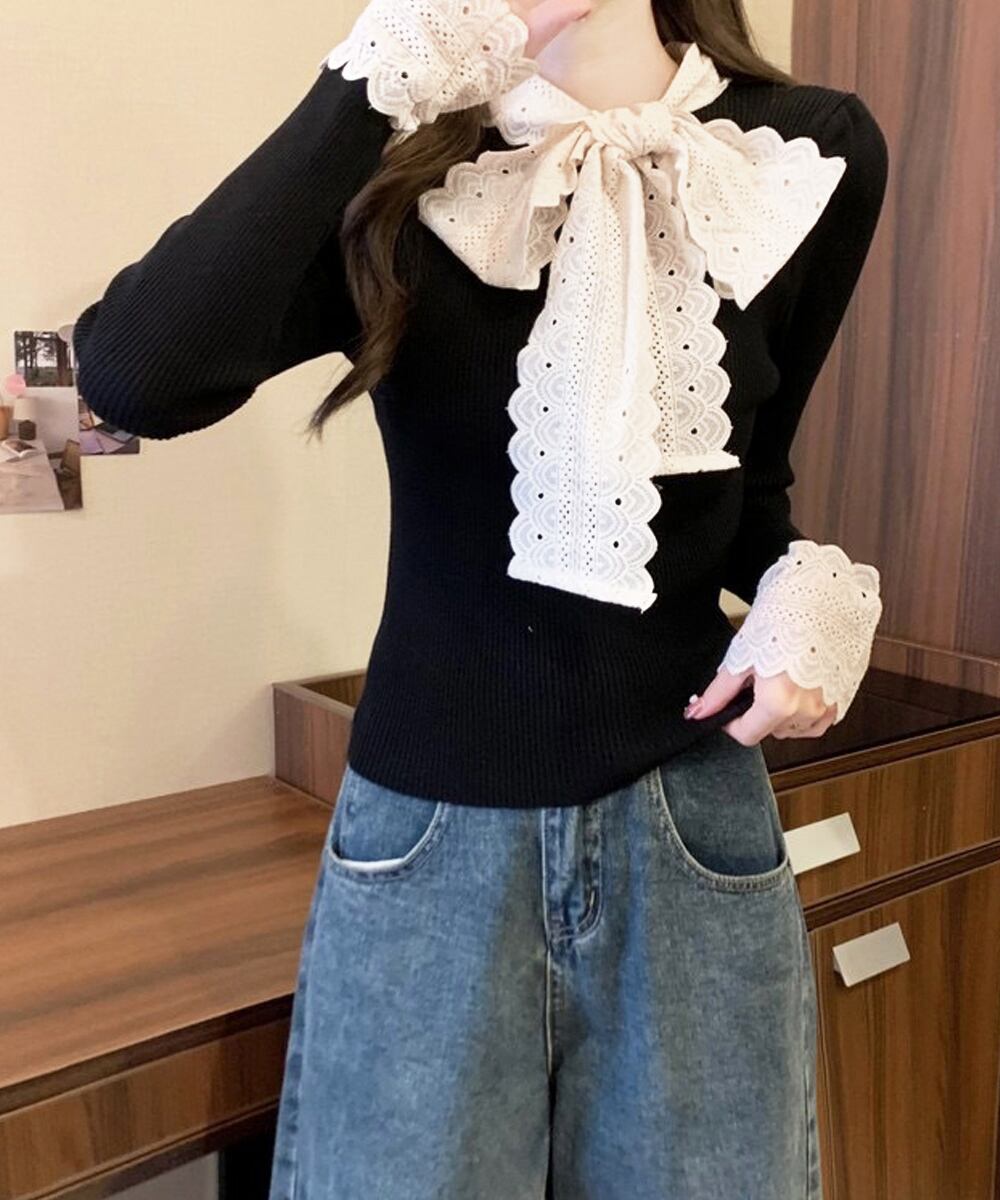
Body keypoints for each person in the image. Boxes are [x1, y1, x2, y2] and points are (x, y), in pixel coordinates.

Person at [72, 0, 889, 1193]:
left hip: (693, 832)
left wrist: (808, 593)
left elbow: (750, 489)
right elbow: (136, 374)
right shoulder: (402, 167)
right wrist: (375, 77)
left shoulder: (799, 148)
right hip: (427, 841)